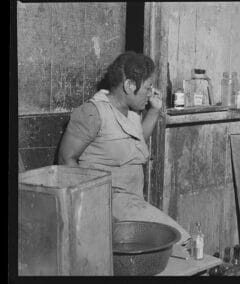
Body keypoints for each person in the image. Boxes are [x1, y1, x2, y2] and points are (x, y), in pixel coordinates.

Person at [58, 51, 190, 244]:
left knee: (169, 244)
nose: (152, 92)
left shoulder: (131, 111)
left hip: (133, 201)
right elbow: (65, 159)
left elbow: (136, 144)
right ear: (129, 85)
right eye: (148, 87)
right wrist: (94, 207)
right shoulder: (92, 113)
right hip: (108, 202)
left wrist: (153, 110)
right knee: (181, 242)